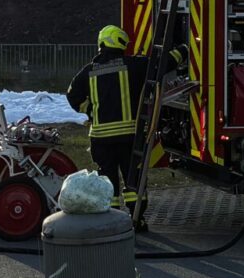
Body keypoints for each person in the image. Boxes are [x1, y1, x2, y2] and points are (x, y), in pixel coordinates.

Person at [65, 25, 178, 209]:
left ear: (102, 43)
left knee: (107, 181)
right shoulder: (133, 66)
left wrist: (91, 111)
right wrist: (184, 51)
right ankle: (137, 218)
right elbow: (162, 64)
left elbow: (72, 95)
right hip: (128, 138)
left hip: (101, 139)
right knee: (133, 179)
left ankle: (111, 216)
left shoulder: (88, 71)